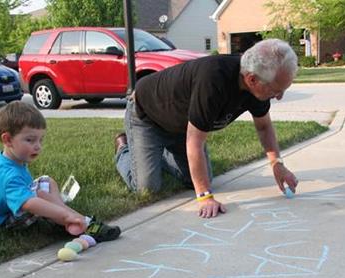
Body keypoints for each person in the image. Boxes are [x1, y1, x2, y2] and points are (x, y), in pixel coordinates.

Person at [114, 39, 299, 219]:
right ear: (252, 79)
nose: (279, 97)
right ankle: (123, 148)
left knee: (200, 179)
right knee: (147, 187)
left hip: (182, 126)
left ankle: (156, 153)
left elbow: (264, 127)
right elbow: (195, 142)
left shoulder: (257, 85)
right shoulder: (213, 80)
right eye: (276, 90)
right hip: (147, 116)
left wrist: (277, 164)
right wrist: (205, 197)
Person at [0, 101, 121, 242]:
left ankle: (67, 216)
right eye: (30, 140)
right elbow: (29, 205)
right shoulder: (7, 175)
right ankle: (74, 222)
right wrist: (65, 215)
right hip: (0, 222)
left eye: (40, 140)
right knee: (40, 201)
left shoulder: (8, 160)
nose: (38, 146)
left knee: (46, 181)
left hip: (8, 208)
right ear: (8, 140)